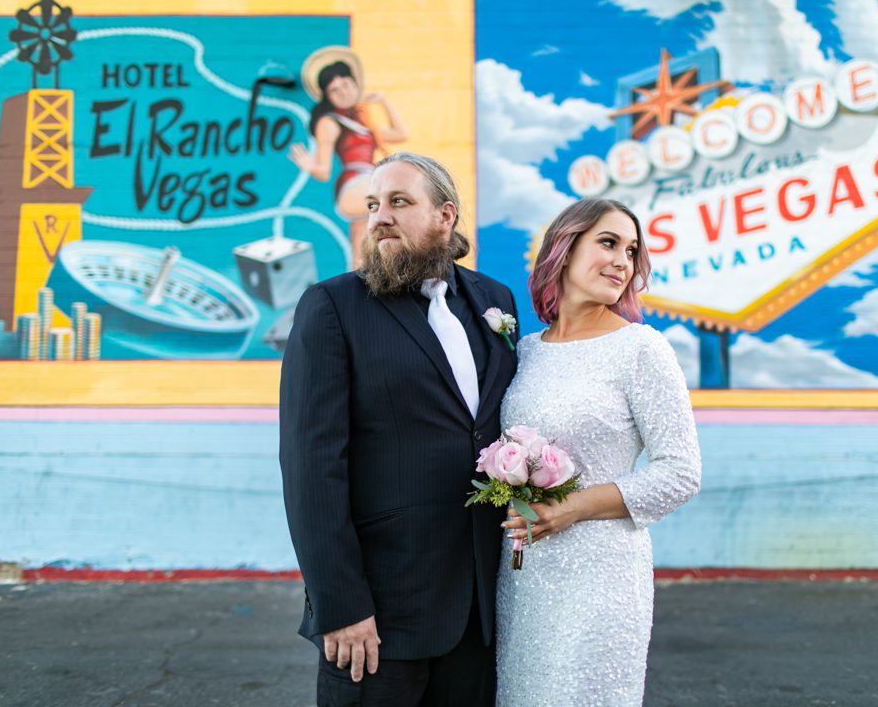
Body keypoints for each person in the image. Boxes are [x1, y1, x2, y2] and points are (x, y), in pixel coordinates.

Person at [279, 151, 519, 706]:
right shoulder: (332, 306)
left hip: (478, 611)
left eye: (399, 202)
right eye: (372, 204)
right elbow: (311, 469)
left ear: (445, 215)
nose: (379, 217)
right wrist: (340, 605)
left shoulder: (495, 301)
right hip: (379, 614)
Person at [495, 198, 702, 706]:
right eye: (608, 243)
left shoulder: (641, 349)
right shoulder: (527, 351)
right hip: (523, 577)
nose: (622, 262)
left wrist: (571, 508)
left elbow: (681, 472)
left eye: (631, 251)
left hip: (602, 576)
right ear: (564, 249)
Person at [290, 46, 409, 269]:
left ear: (355, 83)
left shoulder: (362, 121)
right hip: (353, 184)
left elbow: (401, 134)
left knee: (362, 245)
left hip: (370, 180)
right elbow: (324, 171)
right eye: (335, 90)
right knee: (399, 203)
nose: (343, 92)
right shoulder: (330, 122)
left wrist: (384, 102)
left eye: (346, 84)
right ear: (327, 97)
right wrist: (308, 165)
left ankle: (358, 287)